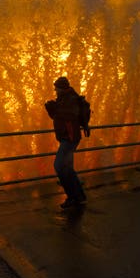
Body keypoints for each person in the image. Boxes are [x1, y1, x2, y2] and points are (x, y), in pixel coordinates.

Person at [44, 76, 87, 208]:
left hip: (70, 139)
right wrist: (53, 109)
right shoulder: (64, 99)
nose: (55, 90)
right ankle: (79, 197)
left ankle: (72, 196)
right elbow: (59, 117)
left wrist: (55, 109)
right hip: (67, 138)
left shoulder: (70, 99)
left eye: (56, 88)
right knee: (68, 168)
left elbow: (70, 115)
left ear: (61, 88)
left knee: (59, 167)